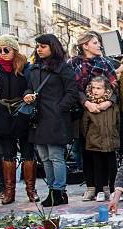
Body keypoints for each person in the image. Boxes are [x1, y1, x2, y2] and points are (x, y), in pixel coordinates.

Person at [24, 34, 79, 207]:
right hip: (38, 118)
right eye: (38, 46)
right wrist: (27, 95)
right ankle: (52, 190)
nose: (39, 49)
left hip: (56, 118)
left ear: (52, 47)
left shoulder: (63, 68)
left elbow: (72, 93)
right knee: (45, 158)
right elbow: (29, 87)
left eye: (43, 46)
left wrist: (59, 108)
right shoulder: (34, 68)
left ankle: (59, 191)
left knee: (56, 156)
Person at [0, 34, 37, 205]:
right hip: (2, 115)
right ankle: (9, 192)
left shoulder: (27, 68)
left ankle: (31, 190)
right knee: (7, 155)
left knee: (28, 153)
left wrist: (27, 97)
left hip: (23, 114)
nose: (2, 53)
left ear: (14, 49)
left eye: (5, 49)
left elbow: (32, 88)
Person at [67, 31, 118, 201]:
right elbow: (72, 88)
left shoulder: (105, 63)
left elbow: (115, 86)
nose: (99, 45)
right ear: (85, 45)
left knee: (106, 151)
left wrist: (108, 102)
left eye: (99, 42)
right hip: (83, 111)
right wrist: (86, 103)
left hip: (104, 112)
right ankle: (90, 187)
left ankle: (106, 186)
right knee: (86, 150)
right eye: (95, 42)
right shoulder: (73, 63)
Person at [81, 76, 120, 201]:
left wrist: (115, 135)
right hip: (95, 142)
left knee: (112, 167)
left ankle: (113, 190)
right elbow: (84, 125)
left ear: (106, 89)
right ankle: (99, 191)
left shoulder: (112, 106)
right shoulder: (90, 107)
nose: (96, 91)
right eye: (93, 88)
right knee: (98, 167)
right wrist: (89, 138)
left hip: (110, 141)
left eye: (99, 88)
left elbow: (118, 122)